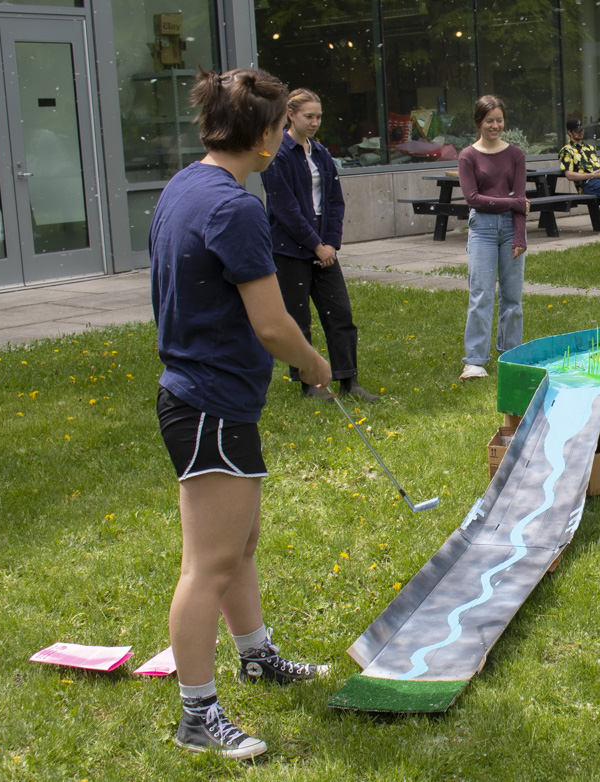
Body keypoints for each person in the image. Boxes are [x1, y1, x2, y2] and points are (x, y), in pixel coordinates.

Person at [150, 68, 332, 760]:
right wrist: (313, 364)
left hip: (203, 398)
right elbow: (274, 325)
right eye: (281, 126)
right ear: (263, 135)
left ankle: (257, 655)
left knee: (239, 546)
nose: (282, 138)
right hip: (210, 404)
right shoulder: (236, 208)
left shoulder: (184, 184)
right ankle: (197, 715)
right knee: (209, 566)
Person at [260, 88, 377, 402]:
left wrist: (331, 244)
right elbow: (285, 209)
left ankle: (348, 380)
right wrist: (315, 245)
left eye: (318, 117)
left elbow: (335, 201)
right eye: (308, 116)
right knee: (298, 320)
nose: (314, 122)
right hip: (289, 249)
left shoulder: (321, 153)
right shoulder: (278, 154)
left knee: (340, 315)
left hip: (324, 249)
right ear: (290, 115)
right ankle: (308, 384)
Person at [457, 95, 529, 381]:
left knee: (513, 297)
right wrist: (513, 203)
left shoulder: (516, 154)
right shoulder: (468, 156)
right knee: (481, 296)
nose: (495, 126)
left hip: (512, 229)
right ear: (479, 122)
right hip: (482, 230)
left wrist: (520, 237)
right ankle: (474, 361)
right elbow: (473, 199)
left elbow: (520, 198)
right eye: (489, 121)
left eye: (499, 120)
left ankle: (511, 354)